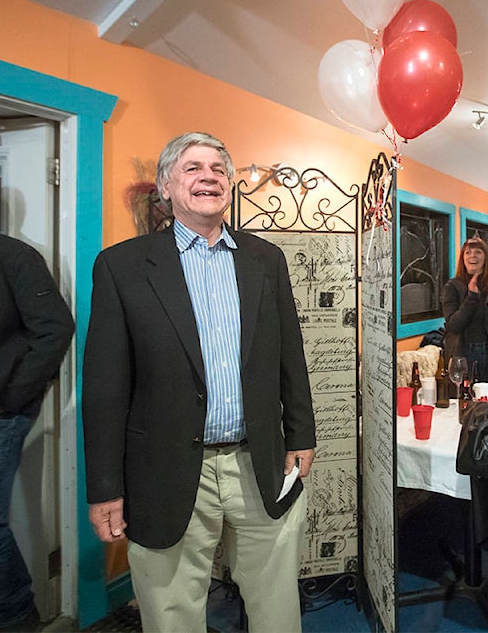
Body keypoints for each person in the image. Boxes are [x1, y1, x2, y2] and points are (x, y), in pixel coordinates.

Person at [83, 132, 316, 632]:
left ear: (230, 184)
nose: (207, 175)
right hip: (162, 469)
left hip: (260, 462)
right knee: (172, 614)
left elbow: (289, 355)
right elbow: (104, 387)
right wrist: (105, 486)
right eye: (191, 167)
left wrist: (302, 435)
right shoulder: (122, 267)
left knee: (276, 605)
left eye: (217, 168)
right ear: (166, 187)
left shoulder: (265, 260)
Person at [0, 227, 74, 631]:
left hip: (0, 415)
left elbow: (56, 329)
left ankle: (19, 616)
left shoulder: (15, 258)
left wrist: (7, 398)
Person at [442, 237, 488, 385]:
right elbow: (453, 325)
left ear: (485, 258)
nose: (473, 256)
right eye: (468, 252)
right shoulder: (452, 286)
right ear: (463, 258)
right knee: (465, 401)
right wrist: (472, 297)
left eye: (478, 252)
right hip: (462, 354)